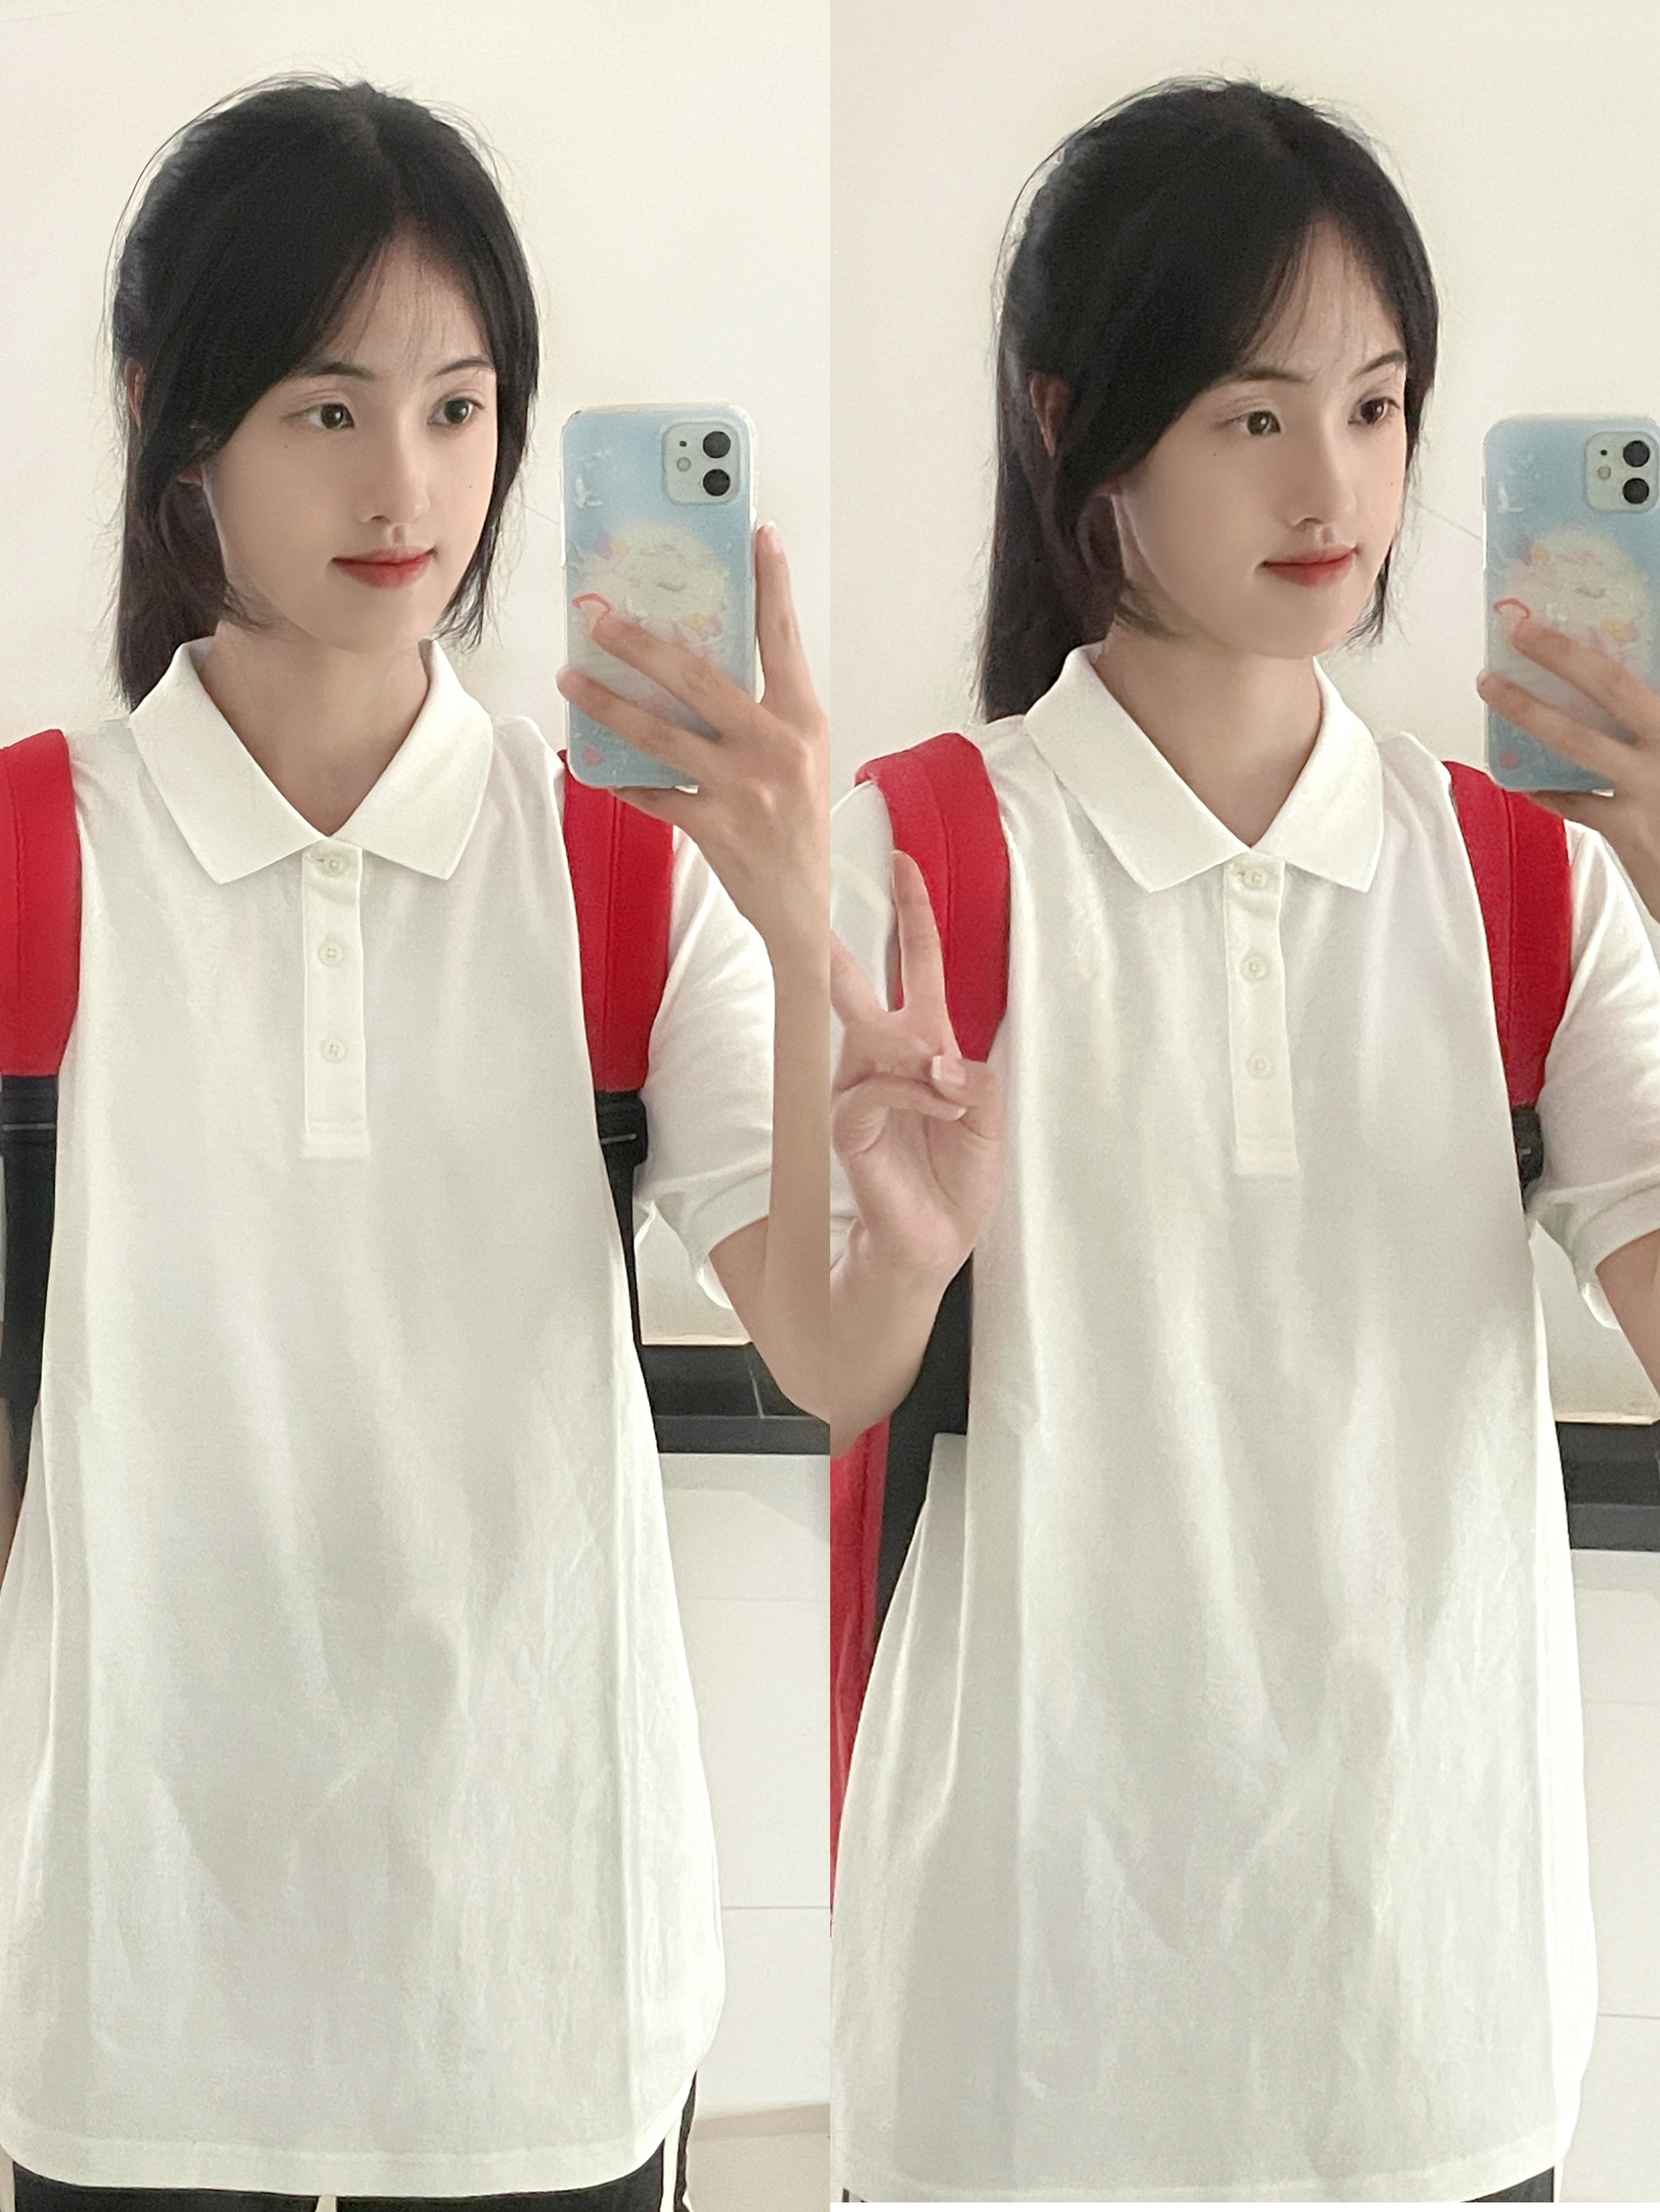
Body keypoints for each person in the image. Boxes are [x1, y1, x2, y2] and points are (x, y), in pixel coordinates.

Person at [823, 76, 1660, 2204]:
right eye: (1251, 414)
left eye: (1373, 409)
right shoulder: (917, 860)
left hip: (1427, 2028)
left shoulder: (1527, 891)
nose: (1335, 484)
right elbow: (827, 1365)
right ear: (1074, 431)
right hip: (1024, 2038)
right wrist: (898, 1244)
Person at [0, 73, 827, 2212]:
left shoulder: (623, 880)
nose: (411, 485)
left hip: (537, 1995)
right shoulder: (31, 854)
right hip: (128, 1994)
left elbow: (839, 1351)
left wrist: (802, 928)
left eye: (460, 409)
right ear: (170, 421)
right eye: (327, 409)